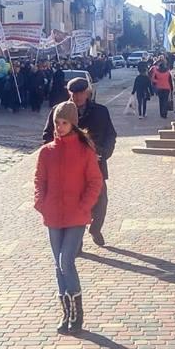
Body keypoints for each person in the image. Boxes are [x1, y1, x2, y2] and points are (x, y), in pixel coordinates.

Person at [36, 101, 104, 335]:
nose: (60, 126)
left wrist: (85, 206)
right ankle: (66, 313)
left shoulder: (85, 150)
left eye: (64, 122)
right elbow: (39, 180)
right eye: (57, 122)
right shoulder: (47, 152)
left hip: (76, 216)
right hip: (53, 215)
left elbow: (95, 182)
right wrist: (40, 203)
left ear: (73, 124)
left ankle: (77, 314)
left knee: (66, 261)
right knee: (58, 265)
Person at [42, 77, 117, 248]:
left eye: (81, 93)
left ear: (87, 92)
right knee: (75, 205)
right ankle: (76, 242)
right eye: (74, 94)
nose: (78, 97)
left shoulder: (100, 111)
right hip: (69, 168)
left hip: (95, 165)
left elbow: (110, 135)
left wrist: (104, 153)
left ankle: (95, 229)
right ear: (69, 93)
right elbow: (47, 136)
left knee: (100, 202)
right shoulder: (58, 111)